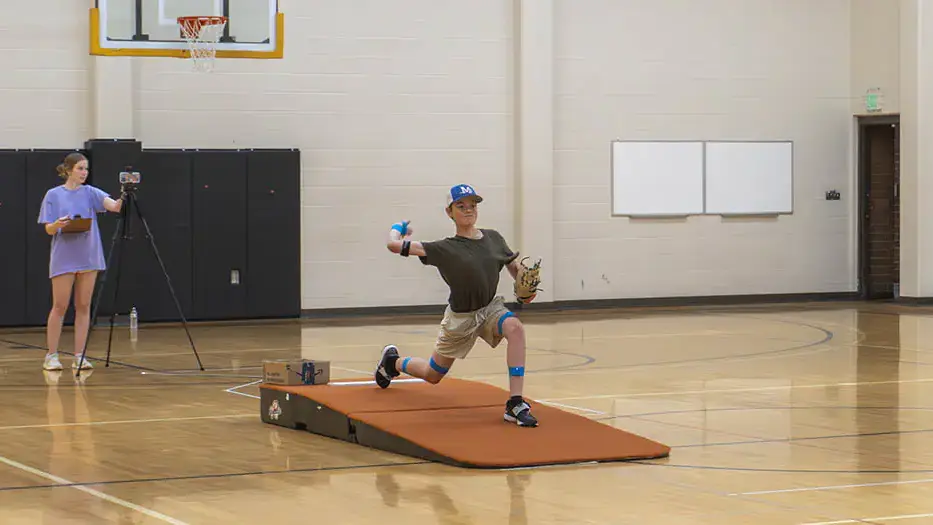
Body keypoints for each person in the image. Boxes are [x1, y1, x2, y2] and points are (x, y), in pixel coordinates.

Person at [374, 184, 538, 427]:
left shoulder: (493, 238)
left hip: (490, 309)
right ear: (449, 212)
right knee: (433, 375)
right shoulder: (444, 248)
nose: (468, 210)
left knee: (515, 328)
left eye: (472, 205)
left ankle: (515, 403)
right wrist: (397, 229)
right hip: (460, 318)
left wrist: (525, 286)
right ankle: (392, 362)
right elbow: (393, 245)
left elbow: (513, 268)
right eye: (461, 206)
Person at [37, 152, 123, 371]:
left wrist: (126, 193)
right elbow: (48, 228)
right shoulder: (53, 195)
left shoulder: (90, 192)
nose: (84, 173)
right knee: (60, 305)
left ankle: (80, 355)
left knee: (84, 306)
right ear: (68, 170)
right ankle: (52, 355)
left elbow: (114, 207)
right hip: (64, 255)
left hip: (88, 255)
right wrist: (58, 224)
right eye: (80, 168)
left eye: (86, 169)